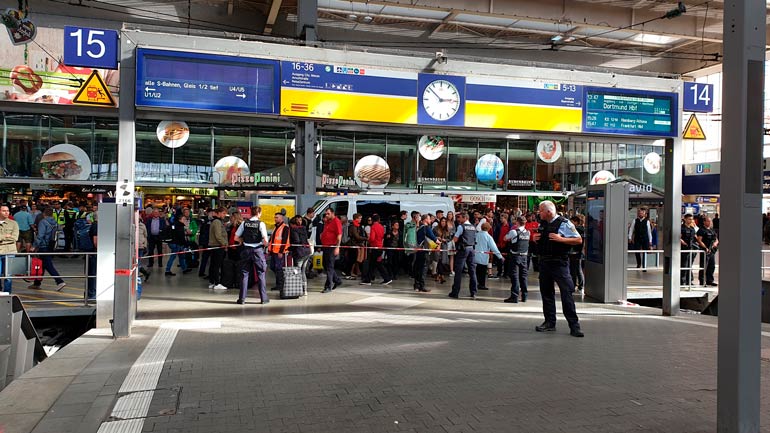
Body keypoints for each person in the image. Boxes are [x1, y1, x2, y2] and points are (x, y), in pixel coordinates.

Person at [531, 200, 584, 337]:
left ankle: (574, 326)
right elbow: (544, 240)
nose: (539, 212)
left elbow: (578, 240)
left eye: (541, 210)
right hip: (545, 263)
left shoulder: (564, 223)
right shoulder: (543, 224)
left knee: (566, 294)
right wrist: (537, 239)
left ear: (549, 211)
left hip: (559, 263)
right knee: (546, 293)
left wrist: (561, 239)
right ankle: (549, 322)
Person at [234, 206, 269, 304]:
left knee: (244, 274)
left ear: (251, 213)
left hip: (246, 250)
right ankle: (263, 299)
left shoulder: (244, 223)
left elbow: (236, 237)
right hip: (257, 251)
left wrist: (241, 240)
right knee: (261, 274)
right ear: (259, 213)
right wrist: (265, 244)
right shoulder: (261, 224)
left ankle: (242, 299)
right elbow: (265, 241)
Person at [29, 208, 66, 291]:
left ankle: (59, 281)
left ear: (44, 214)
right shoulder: (56, 223)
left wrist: (34, 246)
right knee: (42, 264)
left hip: (44, 246)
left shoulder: (43, 222)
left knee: (48, 265)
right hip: (52, 246)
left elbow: (40, 235)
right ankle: (37, 283)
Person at [448, 212, 478, 299]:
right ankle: (473, 292)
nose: (458, 219)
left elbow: (455, 239)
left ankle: (455, 292)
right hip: (471, 249)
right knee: (472, 271)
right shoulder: (473, 227)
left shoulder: (461, 227)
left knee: (458, 271)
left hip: (463, 249)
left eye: (459, 218)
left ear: (465, 218)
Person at [360, 214, 392, 286]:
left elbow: (372, 238)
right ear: (379, 220)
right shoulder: (381, 227)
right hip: (380, 246)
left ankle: (368, 280)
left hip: (374, 247)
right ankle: (386, 278)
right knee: (377, 264)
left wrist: (369, 241)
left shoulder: (373, 227)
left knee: (372, 264)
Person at [504, 216, 530, 303]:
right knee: (523, 277)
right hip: (524, 257)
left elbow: (505, 238)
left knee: (514, 277)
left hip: (515, 256)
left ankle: (514, 296)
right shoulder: (527, 232)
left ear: (517, 222)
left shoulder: (513, 231)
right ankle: (524, 296)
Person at [474, 222, 503, 291]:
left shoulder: (476, 235)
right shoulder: (488, 237)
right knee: (483, 272)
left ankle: (476, 283)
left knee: (477, 270)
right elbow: (494, 248)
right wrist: (500, 257)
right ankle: (482, 284)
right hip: (483, 257)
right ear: (489, 228)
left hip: (476, 255)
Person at [414, 214, 439, 293]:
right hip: (424, 250)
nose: (430, 220)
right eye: (429, 219)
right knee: (424, 268)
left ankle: (416, 285)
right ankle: (422, 286)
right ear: (425, 220)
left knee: (418, 267)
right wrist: (438, 242)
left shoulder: (420, 228)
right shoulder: (426, 228)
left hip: (418, 250)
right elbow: (433, 237)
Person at [320, 207, 343, 293]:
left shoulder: (336, 222)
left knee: (329, 266)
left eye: (328, 213)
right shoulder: (327, 221)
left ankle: (328, 286)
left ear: (333, 213)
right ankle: (337, 280)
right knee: (325, 265)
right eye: (326, 214)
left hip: (332, 246)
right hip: (325, 246)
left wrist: (337, 247)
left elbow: (339, 235)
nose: (326, 215)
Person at [268, 212, 290, 292]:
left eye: (277, 217)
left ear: (281, 218)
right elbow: (272, 239)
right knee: (273, 267)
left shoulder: (285, 228)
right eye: (275, 217)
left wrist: (281, 251)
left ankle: (280, 285)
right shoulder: (276, 227)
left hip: (279, 252)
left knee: (278, 268)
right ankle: (279, 283)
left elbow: (284, 240)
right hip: (274, 251)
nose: (275, 219)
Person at [207, 208, 228, 290]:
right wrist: (225, 244)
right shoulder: (217, 222)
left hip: (215, 246)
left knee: (213, 265)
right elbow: (218, 235)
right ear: (218, 213)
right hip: (218, 246)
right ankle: (217, 283)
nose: (224, 215)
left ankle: (212, 282)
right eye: (223, 213)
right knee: (216, 265)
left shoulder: (215, 221)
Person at [0, 205, 19, 293]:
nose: (6, 212)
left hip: (10, 251)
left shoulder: (13, 223)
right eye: (4, 211)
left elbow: (15, 238)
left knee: (8, 275)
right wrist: (6, 236)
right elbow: (10, 238)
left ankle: (7, 293)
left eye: (7, 210)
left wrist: (1, 239)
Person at [628, 207, 653, 272]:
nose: (641, 214)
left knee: (645, 252)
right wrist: (629, 237)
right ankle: (638, 263)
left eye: (642, 213)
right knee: (637, 251)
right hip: (637, 238)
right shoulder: (635, 220)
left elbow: (649, 231)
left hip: (645, 238)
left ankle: (644, 266)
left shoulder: (647, 221)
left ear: (644, 214)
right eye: (640, 213)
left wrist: (650, 240)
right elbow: (631, 229)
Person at [696, 216, 719, 286]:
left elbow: (716, 239)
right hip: (705, 250)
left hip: (712, 251)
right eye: (708, 221)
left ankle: (710, 280)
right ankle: (702, 281)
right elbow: (699, 240)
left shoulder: (712, 230)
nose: (709, 222)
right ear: (704, 222)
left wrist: (715, 243)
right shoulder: (701, 230)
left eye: (710, 221)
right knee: (704, 266)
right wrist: (705, 247)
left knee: (711, 266)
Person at [568, 215, 586, 293]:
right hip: (575, 252)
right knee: (575, 269)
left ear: (576, 222)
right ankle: (577, 285)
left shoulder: (578, 230)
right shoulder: (580, 230)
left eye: (572, 222)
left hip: (577, 252)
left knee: (577, 269)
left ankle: (579, 285)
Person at [680, 214, 697, 286]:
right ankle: (682, 281)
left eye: (691, 219)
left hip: (691, 249)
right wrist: (683, 243)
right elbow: (679, 237)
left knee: (690, 265)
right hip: (684, 249)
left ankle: (689, 280)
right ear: (685, 219)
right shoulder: (681, 228)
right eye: (689, 219)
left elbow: (695, 238)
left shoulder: (692, 229)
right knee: (684, 265)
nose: (691, 220)